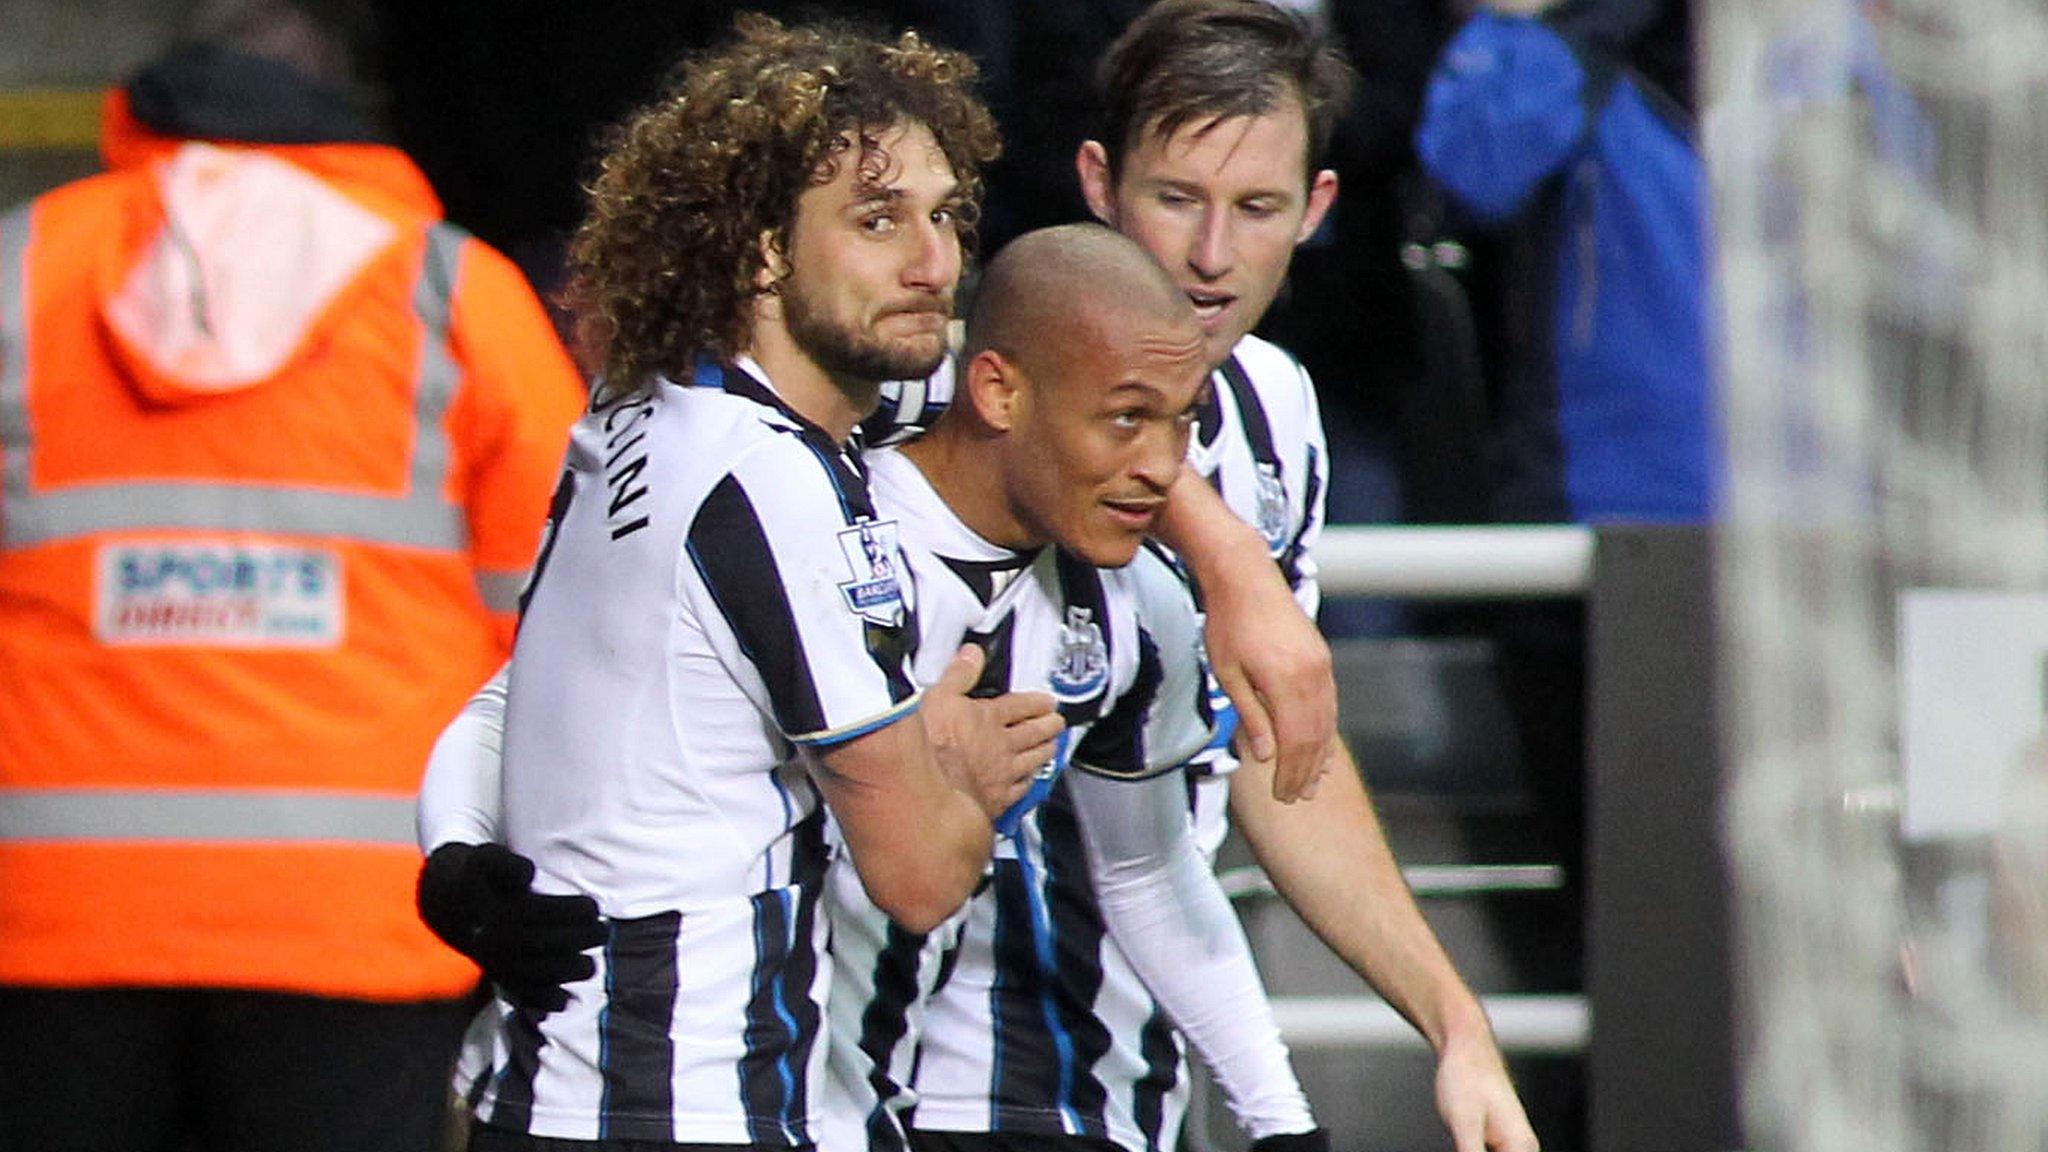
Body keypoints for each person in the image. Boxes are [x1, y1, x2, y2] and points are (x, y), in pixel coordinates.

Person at [421, 223, 1330, 1152]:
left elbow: (1147, 871)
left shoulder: (1142, 613)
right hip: (616, 1090)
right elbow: (526, 694)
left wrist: (1281, 1123)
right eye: (1129, 419)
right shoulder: (815, 523)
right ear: (998, 390)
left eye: (1183, 422)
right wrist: (455, 860)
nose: (1163, 468)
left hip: (849, 1105)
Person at [421, 18, 1063, 1149]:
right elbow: (917, 875)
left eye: (946, 216)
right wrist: (949, 763)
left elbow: (515, 693)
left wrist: (452, 850)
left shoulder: (637, 411)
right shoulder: (771, 485)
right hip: (677, 1110)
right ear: (764, 249)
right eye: (878, 221)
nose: (934, 261)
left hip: (534, 1096)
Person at [908, 5, 1540, 1152]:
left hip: (1129, 1065)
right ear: (1097, 184)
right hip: (920, 1076)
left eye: (1254, 210)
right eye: (1176, 199)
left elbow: (1271, 752)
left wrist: (1454, 1024)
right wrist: (1222, 548)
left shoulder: (1276, 412)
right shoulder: (961, 389)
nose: (1210, 256)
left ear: (1315, 211)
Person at [0, 2, 588, 1150]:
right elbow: (561, 612)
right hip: (357, 918)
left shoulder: (24, 270)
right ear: (348, 124)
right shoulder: (449, 294)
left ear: (137, 117)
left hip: (50, 912)